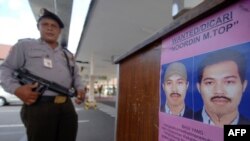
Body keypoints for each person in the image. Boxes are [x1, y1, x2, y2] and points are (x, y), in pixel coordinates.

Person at [0, 8, 85, 141]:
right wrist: (16, 89)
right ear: (38, 27)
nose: (50, 28)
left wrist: (80, 88)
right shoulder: (25, 46)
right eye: (45, 24)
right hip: (39, 105)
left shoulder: (67, 54)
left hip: (66, 106)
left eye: (54, 26)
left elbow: (76, 76)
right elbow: (5, 69)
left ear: (59, 31)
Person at [195, 49, 250, 127]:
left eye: (229, 82)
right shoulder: (185, 121)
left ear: (243, 86)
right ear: (199, 88)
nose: (219, 91)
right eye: (209, 82)